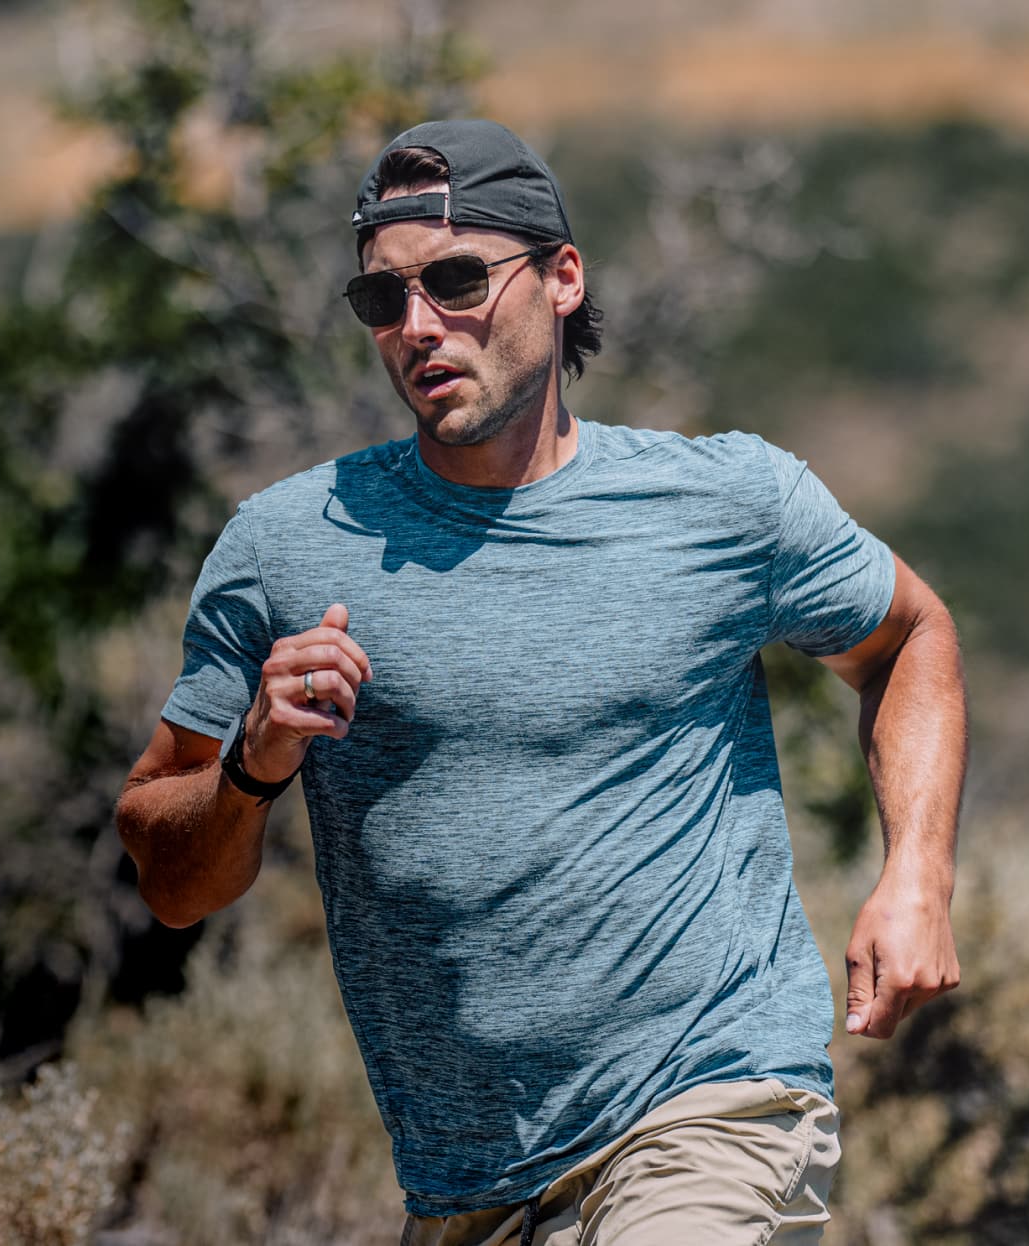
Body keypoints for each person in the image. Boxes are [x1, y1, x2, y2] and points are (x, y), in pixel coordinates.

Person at [111, 119, 968, 1246]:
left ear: (562, 279)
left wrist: (917, 874)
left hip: (707, 1103)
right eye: (384, 300)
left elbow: (912, 638)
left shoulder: (725, 504)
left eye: (458, 280)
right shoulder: (285, 548)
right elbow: (171, 879)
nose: (419, 326)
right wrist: (251, 767)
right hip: (467, 1178)